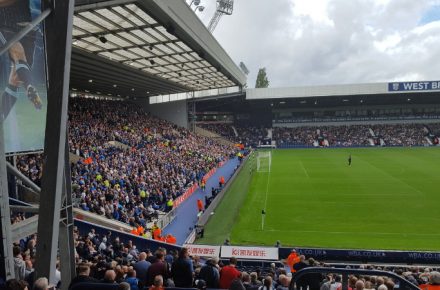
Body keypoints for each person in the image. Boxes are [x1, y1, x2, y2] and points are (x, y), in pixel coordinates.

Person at [0, 0, 43, 121]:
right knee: (18, 52)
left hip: (25, 25)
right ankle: (30, 86)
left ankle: (1, 117)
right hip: (6, 25)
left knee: (16, 78)